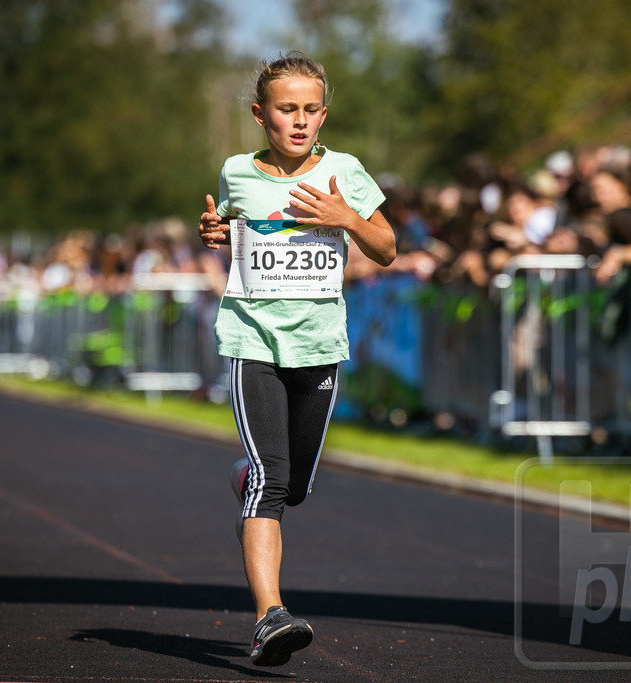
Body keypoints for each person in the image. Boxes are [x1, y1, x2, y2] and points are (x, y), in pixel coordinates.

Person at [197, 52, 395, 667]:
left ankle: (246, 481)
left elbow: (387, 248)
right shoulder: (237, 171)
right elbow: (233, 229)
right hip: (252, 340)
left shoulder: (346, 170)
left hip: (318, 345)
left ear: (324, 115)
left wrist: (346, 217)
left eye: (311, 110)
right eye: (287, 110)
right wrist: (215, 232)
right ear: (261, 115)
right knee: (272, 484)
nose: (300, 121)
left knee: (294, 488)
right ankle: (269, 617)